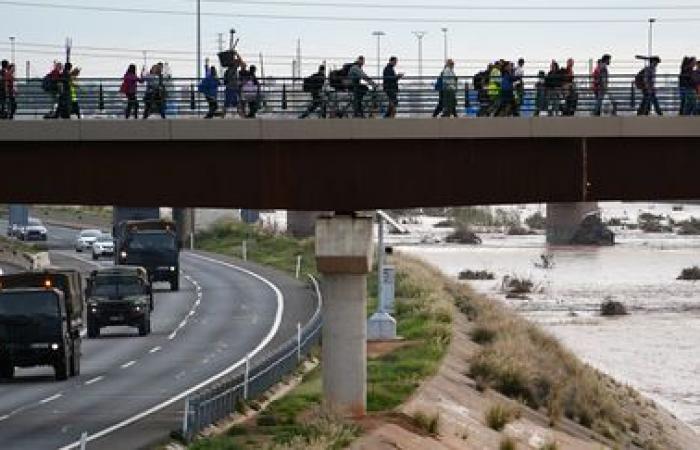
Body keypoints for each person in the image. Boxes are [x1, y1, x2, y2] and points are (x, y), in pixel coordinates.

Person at [223, 52, 243, 118]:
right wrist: (236, 54)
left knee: (227, 103)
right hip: (234, 88)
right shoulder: (233, 69)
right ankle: (241, 115)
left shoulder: (227, 71)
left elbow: (225, 81)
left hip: (229, 87)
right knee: (237, 103)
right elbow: (240, 61)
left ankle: (223, 115)